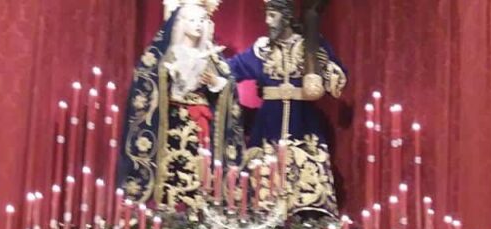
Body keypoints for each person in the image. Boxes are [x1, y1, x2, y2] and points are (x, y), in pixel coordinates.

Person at [117, 0, 244, 211]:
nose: (198, 25)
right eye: (192, 20)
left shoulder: (211, 56)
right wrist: (169, 75)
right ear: (181, 22)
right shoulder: (168, 53)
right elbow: (148, 78)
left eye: (202, 21)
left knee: (199, 167)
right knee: (172, 166)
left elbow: (227, 83)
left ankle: (199, 208)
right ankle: (167, 207)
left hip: (200, 122)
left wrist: (215, 82)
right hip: (173, 119)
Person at [226, 0, 347, 217]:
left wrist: (323, 67)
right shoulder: (262, 50)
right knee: (261, 184)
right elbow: (229, 70)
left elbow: (336, 81)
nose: (267, 21)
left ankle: (307, 223)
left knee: (305, 178)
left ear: (287, 16)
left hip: (303, 122)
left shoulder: (310, 45)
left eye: (272, 15)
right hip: (268, 125)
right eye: (267, 15)